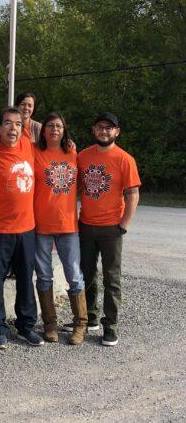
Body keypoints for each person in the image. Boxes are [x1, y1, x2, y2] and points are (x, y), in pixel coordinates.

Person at [72, 112, 140, 347]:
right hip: (86, 225)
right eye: (100, 127)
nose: (104, 131)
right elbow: (75, 189)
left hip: (112, 227)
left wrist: (123, 225)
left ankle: (110, 326)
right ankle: (90, 318)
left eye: (108, 128)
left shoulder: (124, 159)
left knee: (112, 278)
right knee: (86, 275)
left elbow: (133, 194)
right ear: (94, 130)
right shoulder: (83, 156)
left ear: (116, 132)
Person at [0, 107, 42, 349]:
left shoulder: (29, 147)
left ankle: (26, 326)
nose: (12, 128)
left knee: (26, 278)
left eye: (17, 124)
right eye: (7, 123)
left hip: (26, 228)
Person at [33, 113, 87, 345]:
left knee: (74, 275)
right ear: (43, 130)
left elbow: (85, 181)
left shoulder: (74, 153)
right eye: (50, 126)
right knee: (44, 276)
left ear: (64, 130)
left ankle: (80, 325)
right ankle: (50, 325)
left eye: (59, 126)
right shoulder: (34, 152)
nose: (54, 129)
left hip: (68, 224)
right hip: (41, 224)